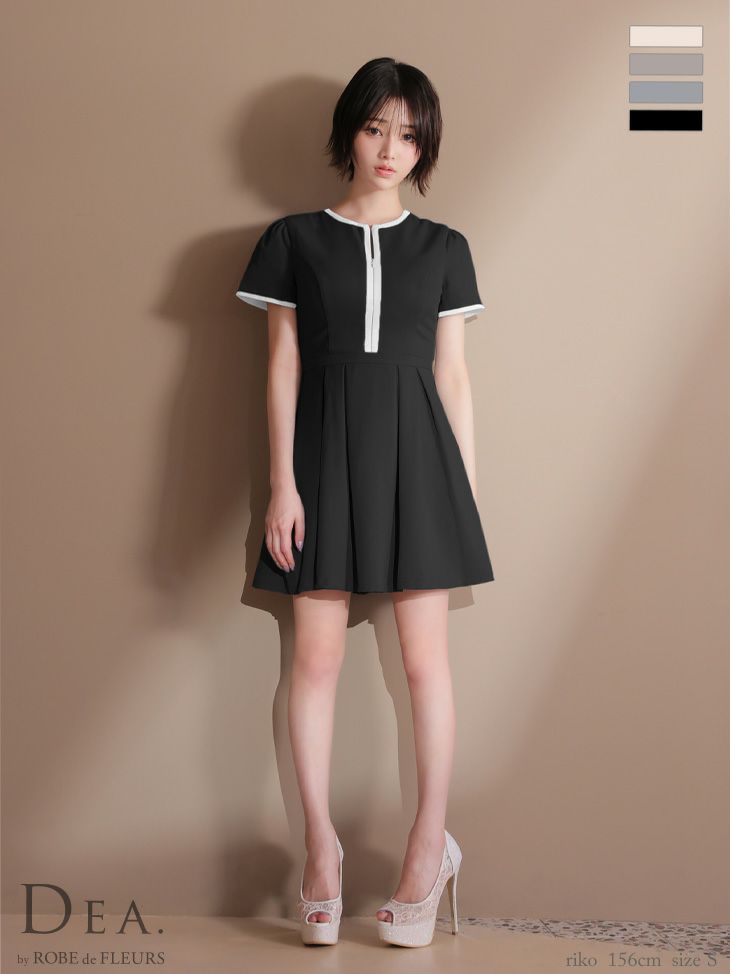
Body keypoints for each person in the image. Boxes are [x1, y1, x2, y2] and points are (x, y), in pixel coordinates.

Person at [235, 56, 495, 947]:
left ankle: (429, 849)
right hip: (321, 460)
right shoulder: (293, 240)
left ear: (425, 146)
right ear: (349, 130)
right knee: (312, 662)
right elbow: (282, 365)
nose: (391, 148)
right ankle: (320, 852)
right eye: (377, 128)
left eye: (409, 135)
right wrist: (283, 484)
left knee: (426, 666)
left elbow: (453, 376)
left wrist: (461, 493)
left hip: (422, 466)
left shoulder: (446, 248)